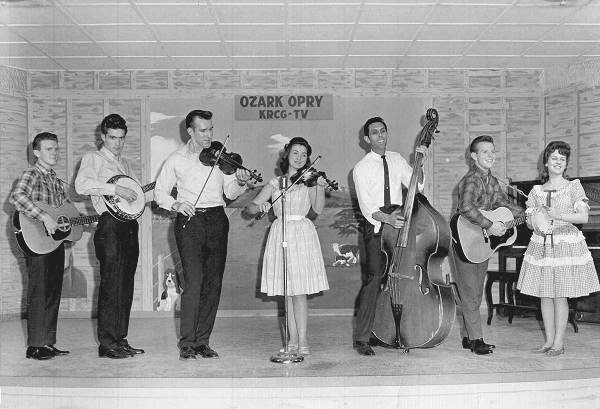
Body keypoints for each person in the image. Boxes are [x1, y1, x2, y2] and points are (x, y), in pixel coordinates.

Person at [154, 109, 251, 360]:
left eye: (211, 130)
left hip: (217, 220)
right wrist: (175, 204)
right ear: (190, 131)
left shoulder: (220, 159)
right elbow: (160, 193)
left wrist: (240, 181)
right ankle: (187, 342)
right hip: (190, 222)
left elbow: (230, 192)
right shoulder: (176, 159)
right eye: (203, 130)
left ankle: (203, 341)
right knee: (194, 283)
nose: (208, 135)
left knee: (213, 284)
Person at [245, 137, 330, 355]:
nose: (300, 158)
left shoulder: (311, 180)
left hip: (301, 233)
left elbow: (318, 209)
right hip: (280, 232)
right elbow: (250, 209)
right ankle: (291, 342)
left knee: (299, 291)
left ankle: (302, 341)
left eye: (304, 154)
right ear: (287, 155)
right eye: (295, 153)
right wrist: (261, 206)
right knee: (287, 292)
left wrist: (319, 187)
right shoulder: (275, 183)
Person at [352, 116, 428, 356]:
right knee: (375, 280)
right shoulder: (360, 168)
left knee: (398, 279)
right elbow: (366, 206)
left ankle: (391, 331)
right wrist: (386, 219)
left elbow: (418, 187)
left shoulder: (396, 159)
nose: (380, 135)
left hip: (399, 224)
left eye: (383, 131)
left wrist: (419, 162)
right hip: (376, 226)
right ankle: (362, 338)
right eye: (374, 132)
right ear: (367, 139)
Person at [517, 141, 599, 356]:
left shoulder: (573, 187)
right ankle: (548, 341)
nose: (558, 162)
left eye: (562, 159)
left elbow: (583, 216)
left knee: (560, 295)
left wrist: (557, 215)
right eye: (554, 157)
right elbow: (528, 223)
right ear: (546, 162)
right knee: (545, 295)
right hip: (542, 245)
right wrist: (537, 220)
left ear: (566, 164)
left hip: (565, 244)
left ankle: (559, 343)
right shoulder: (535, 191)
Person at [75, 114, 146, 359]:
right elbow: (81, 185)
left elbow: (136, 194)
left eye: (121, 138)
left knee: (125, 284)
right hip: (109, 226)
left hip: (129, 226)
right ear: (103, 136)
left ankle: (120, 339)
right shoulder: (92, 158)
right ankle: (107, 344)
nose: (117, 143)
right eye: (113, 138)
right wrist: (115, 189)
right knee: (111, 283)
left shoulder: (125, 164)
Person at [450, 135, 524, 355]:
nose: (490, 156)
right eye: (485, 152)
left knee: (474, 291)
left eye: (493, 152)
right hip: (464, 240)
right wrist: (490, 225)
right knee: (471, 291)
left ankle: (467, 337)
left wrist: (528, 213)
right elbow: (466, 208)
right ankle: (477, 340)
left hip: (480, 243)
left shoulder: (492, 181)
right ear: (474, 156)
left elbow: (504, 204)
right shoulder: (471, 179)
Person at [10, 132, 70, 360]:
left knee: (53, 290)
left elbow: (63, 211)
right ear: (36, 152)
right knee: (39, 291)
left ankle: (47, 342)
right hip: (35, 240)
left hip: (53, 241)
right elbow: (17, 197)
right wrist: (44, 216)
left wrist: (82, 220)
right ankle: (35, 346)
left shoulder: (55, 178)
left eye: (56, 148)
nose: (54, 153)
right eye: (48, 149)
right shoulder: (31, 174)